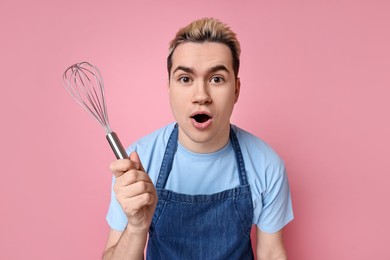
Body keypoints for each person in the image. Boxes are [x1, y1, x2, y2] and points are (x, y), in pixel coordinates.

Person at [103, 17, 293, 260]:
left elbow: (271, 253)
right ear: (169, 88)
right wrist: (137, 226)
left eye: (216, 79)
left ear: (236, 90)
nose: (201, 95)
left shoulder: (266, 164)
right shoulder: (137, 164)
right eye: (185, 79)